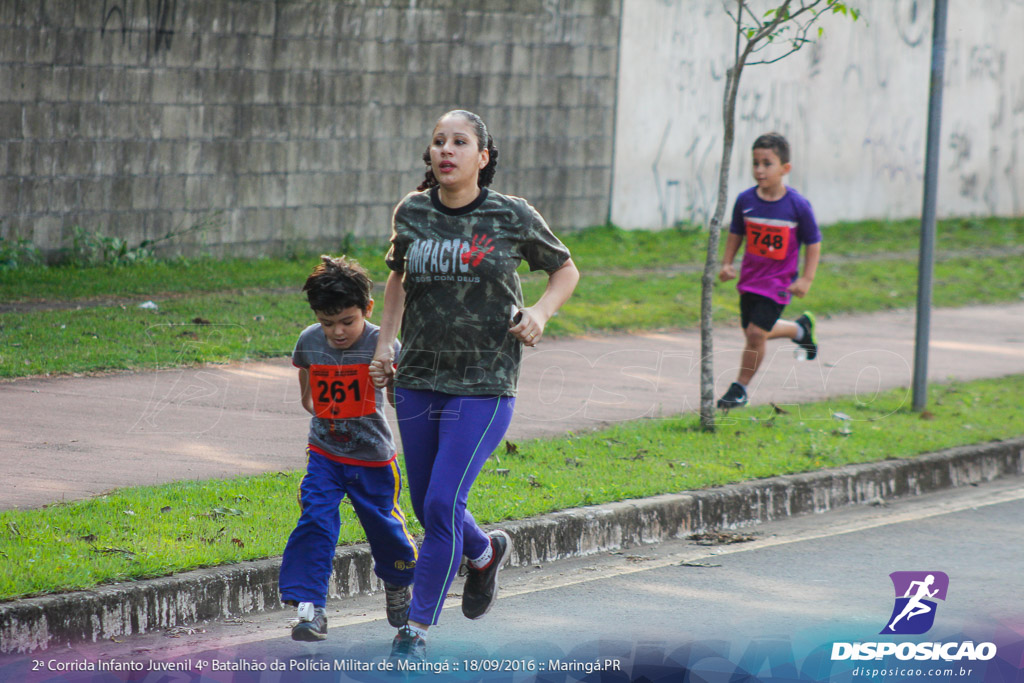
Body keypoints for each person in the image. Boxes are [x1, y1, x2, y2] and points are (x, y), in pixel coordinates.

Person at [369, 109, 580, 662]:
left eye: (459, 142)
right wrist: (384, 344)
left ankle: (416, 628)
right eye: (438, 140)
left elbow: (565, 270)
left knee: (441, 504)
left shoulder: (509, 215)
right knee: (424, 503)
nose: (446, 150)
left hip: (485, 382)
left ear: (482, 157)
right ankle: (485, 553)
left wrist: (541, 311)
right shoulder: (412, 212)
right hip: (417, 377)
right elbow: (397, 278)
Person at [279, 255, 418, 642]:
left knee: (385, 529)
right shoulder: (309, 342)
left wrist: (389, 378)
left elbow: (396, 402)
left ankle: (397, 581)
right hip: (324, 454)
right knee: (315, 520)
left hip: (373, 459)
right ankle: (311, 609)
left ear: (368, 309)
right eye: (327, 323)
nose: (337, 332)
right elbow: (308, 399)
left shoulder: (382, 344)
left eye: (347, 322)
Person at [717, 132, 822, 409]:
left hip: (778, 283)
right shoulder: (746, 200)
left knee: (755, 334)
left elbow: (813, 242)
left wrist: (806, 278)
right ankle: (799, 330)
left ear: (785, 169)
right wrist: (727, 263)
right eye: (755, 163)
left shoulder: (797, 206)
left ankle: (739, 388)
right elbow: (736, 233)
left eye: (767, 163)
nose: (760, 170)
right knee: (754, 333)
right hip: (750, 281)